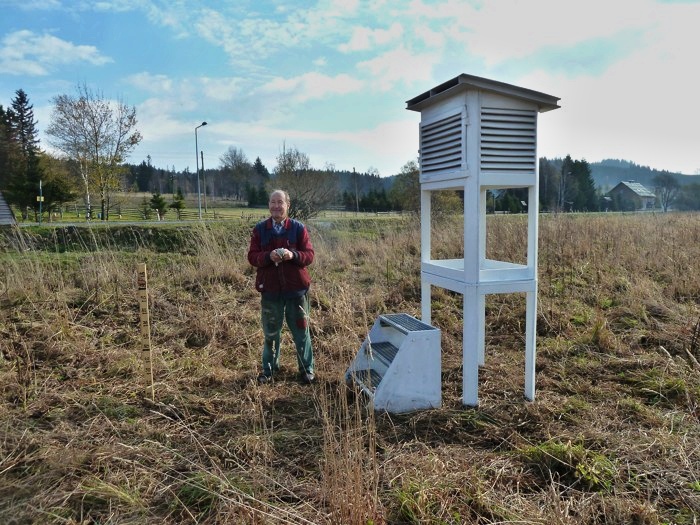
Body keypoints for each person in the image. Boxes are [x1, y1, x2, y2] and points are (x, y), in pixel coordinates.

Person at [247, 189, 315, 384]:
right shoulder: (259, 230)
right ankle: (268, 371)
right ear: (269, 205)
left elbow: (309, 255)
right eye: (273, 202)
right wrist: (268, 256)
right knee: (270, 334)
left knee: (302, 333)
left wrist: (293, 255)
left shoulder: (298, 228)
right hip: (270, 291)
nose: (276, 206)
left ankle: (306, 370)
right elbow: (252, 257)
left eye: (280, 202)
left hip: (296, 291)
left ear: (288, 205)